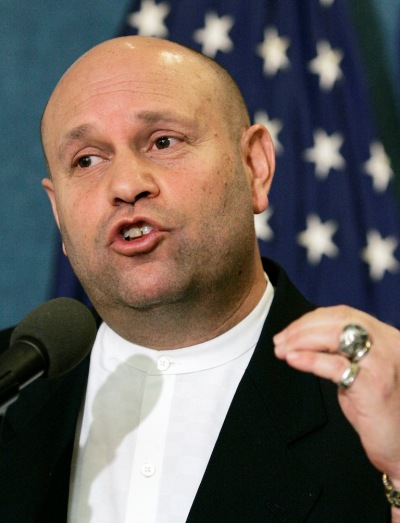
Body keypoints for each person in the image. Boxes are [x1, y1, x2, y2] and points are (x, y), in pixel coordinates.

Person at [0, 35, 399, 522]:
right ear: (58, 213)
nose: (126, 186)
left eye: (163, 142)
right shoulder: (11, 393)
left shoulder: (380, 401)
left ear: (255, 167)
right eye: (86, 160)